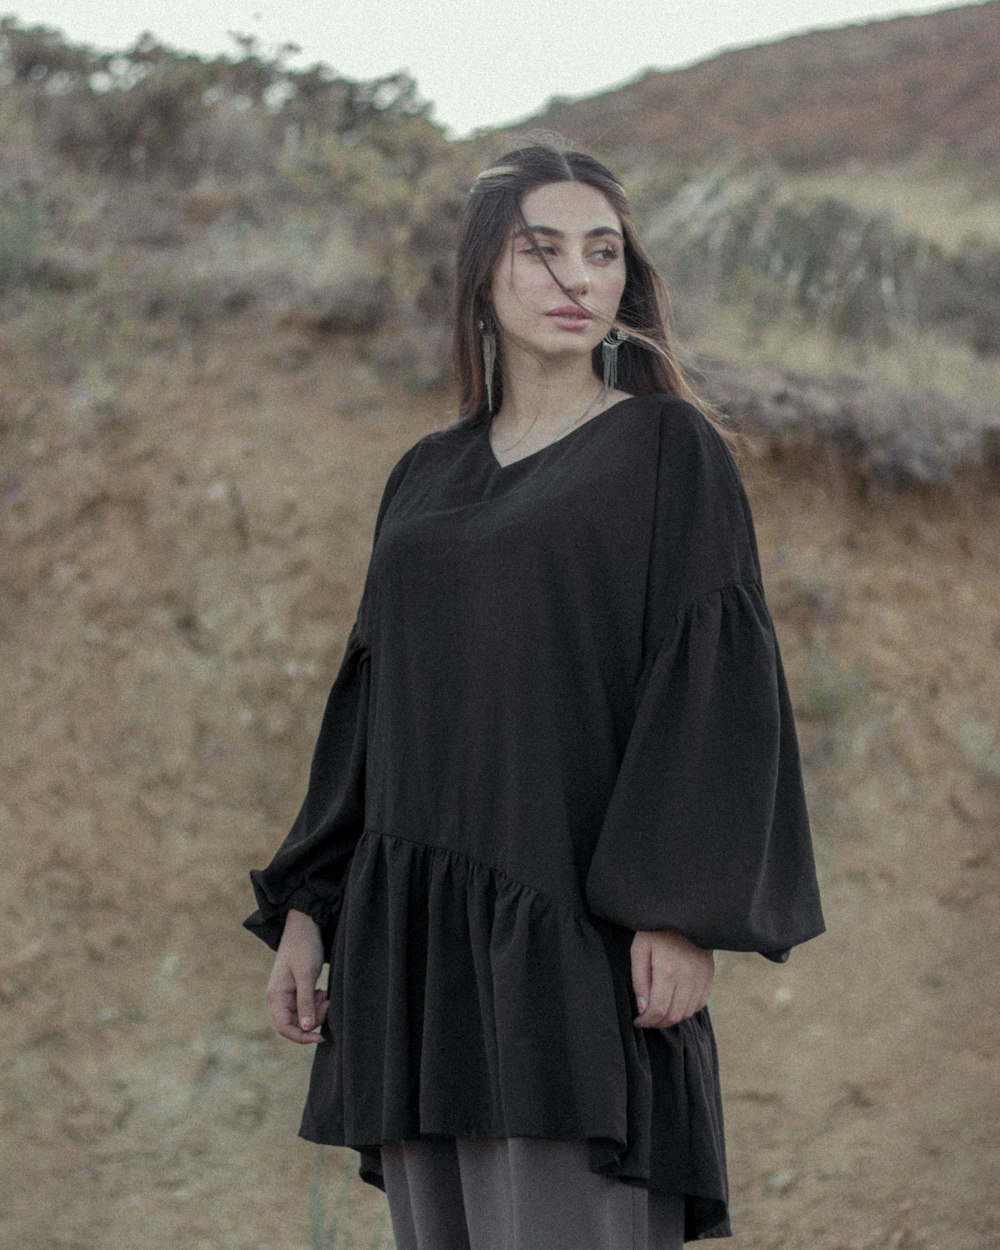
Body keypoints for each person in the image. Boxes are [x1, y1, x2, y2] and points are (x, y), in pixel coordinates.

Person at [244, 142, 825, 1248]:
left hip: (572, 944)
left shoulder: (665, 448)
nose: (575, 278)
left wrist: (679, 904)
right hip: (417, 951)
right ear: (480, 276)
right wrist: (311, 906)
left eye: (600, 253)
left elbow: (710, 685)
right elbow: (373, 699)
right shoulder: (425, 471)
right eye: (540, 250)